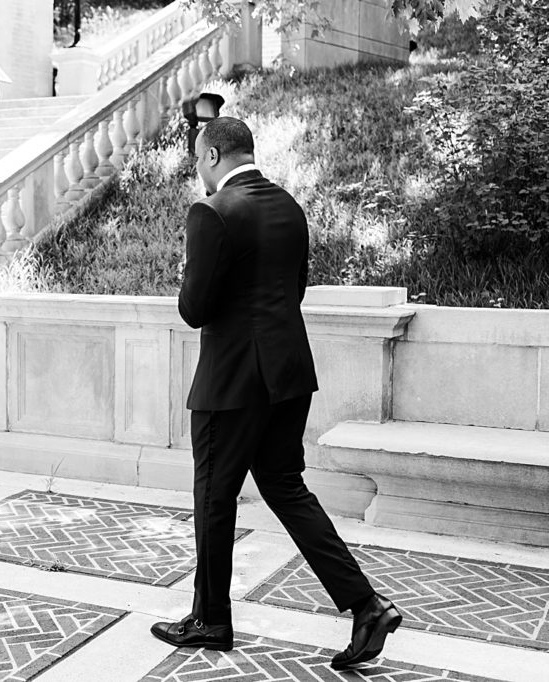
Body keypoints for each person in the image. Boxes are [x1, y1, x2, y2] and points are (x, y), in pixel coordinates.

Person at [149, 117, 401, 670]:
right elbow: (295, 290)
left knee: (215, 498)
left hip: (233, 381)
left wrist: (188, 272)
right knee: (286, 489)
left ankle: (211, 619)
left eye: (197, 160)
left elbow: (194, 310)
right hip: (288, 375)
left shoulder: (211, 213)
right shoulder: (290, 206)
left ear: (214, 155)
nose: (198, 171)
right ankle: (366, 606)